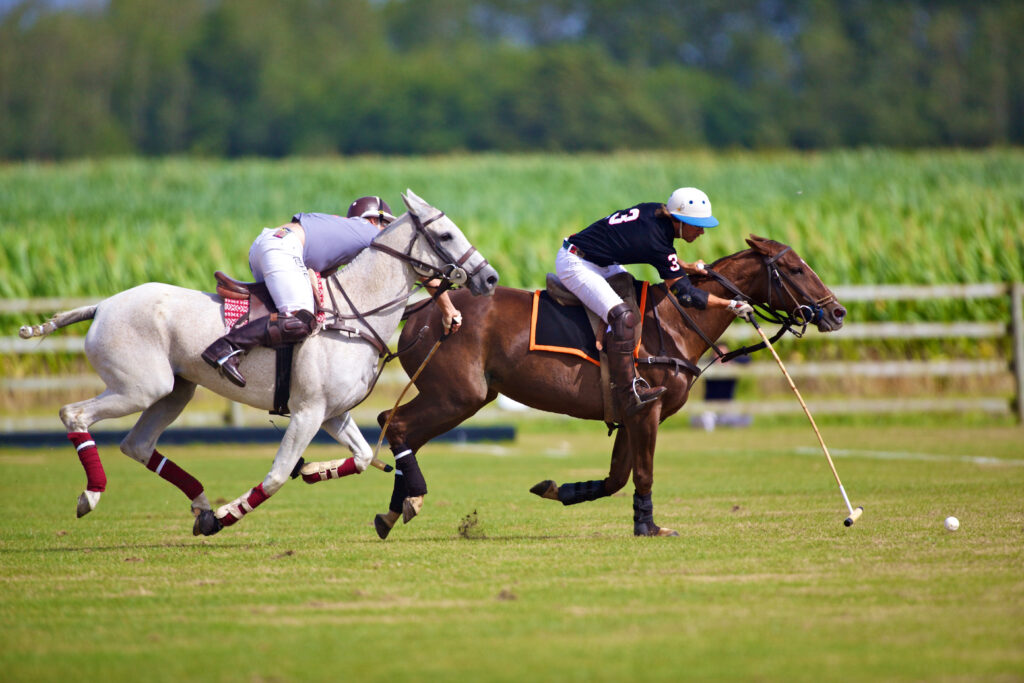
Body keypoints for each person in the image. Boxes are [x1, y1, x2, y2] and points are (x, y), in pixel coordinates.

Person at [202, 196, 462, 387]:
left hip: (269, 247)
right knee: (299, 319)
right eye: (386, 225)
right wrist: (448, 309)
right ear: (375, 219)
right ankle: (226, 348)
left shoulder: (345, 233)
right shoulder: (370, 233)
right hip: (282, 249)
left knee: (301, 319)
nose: (386, 232)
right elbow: (418, 267)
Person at [556, 187, 754, 417]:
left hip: (599, 261)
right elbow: (686, 294)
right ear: (680, 220)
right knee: (622, 317)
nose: (701, 231)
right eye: (698, 225)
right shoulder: (657, 238)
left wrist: (687, 267)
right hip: (577, 264)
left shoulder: (656, 214)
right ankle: (628, 391)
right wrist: (730, 305)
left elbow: (656, 252)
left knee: (634, 299)